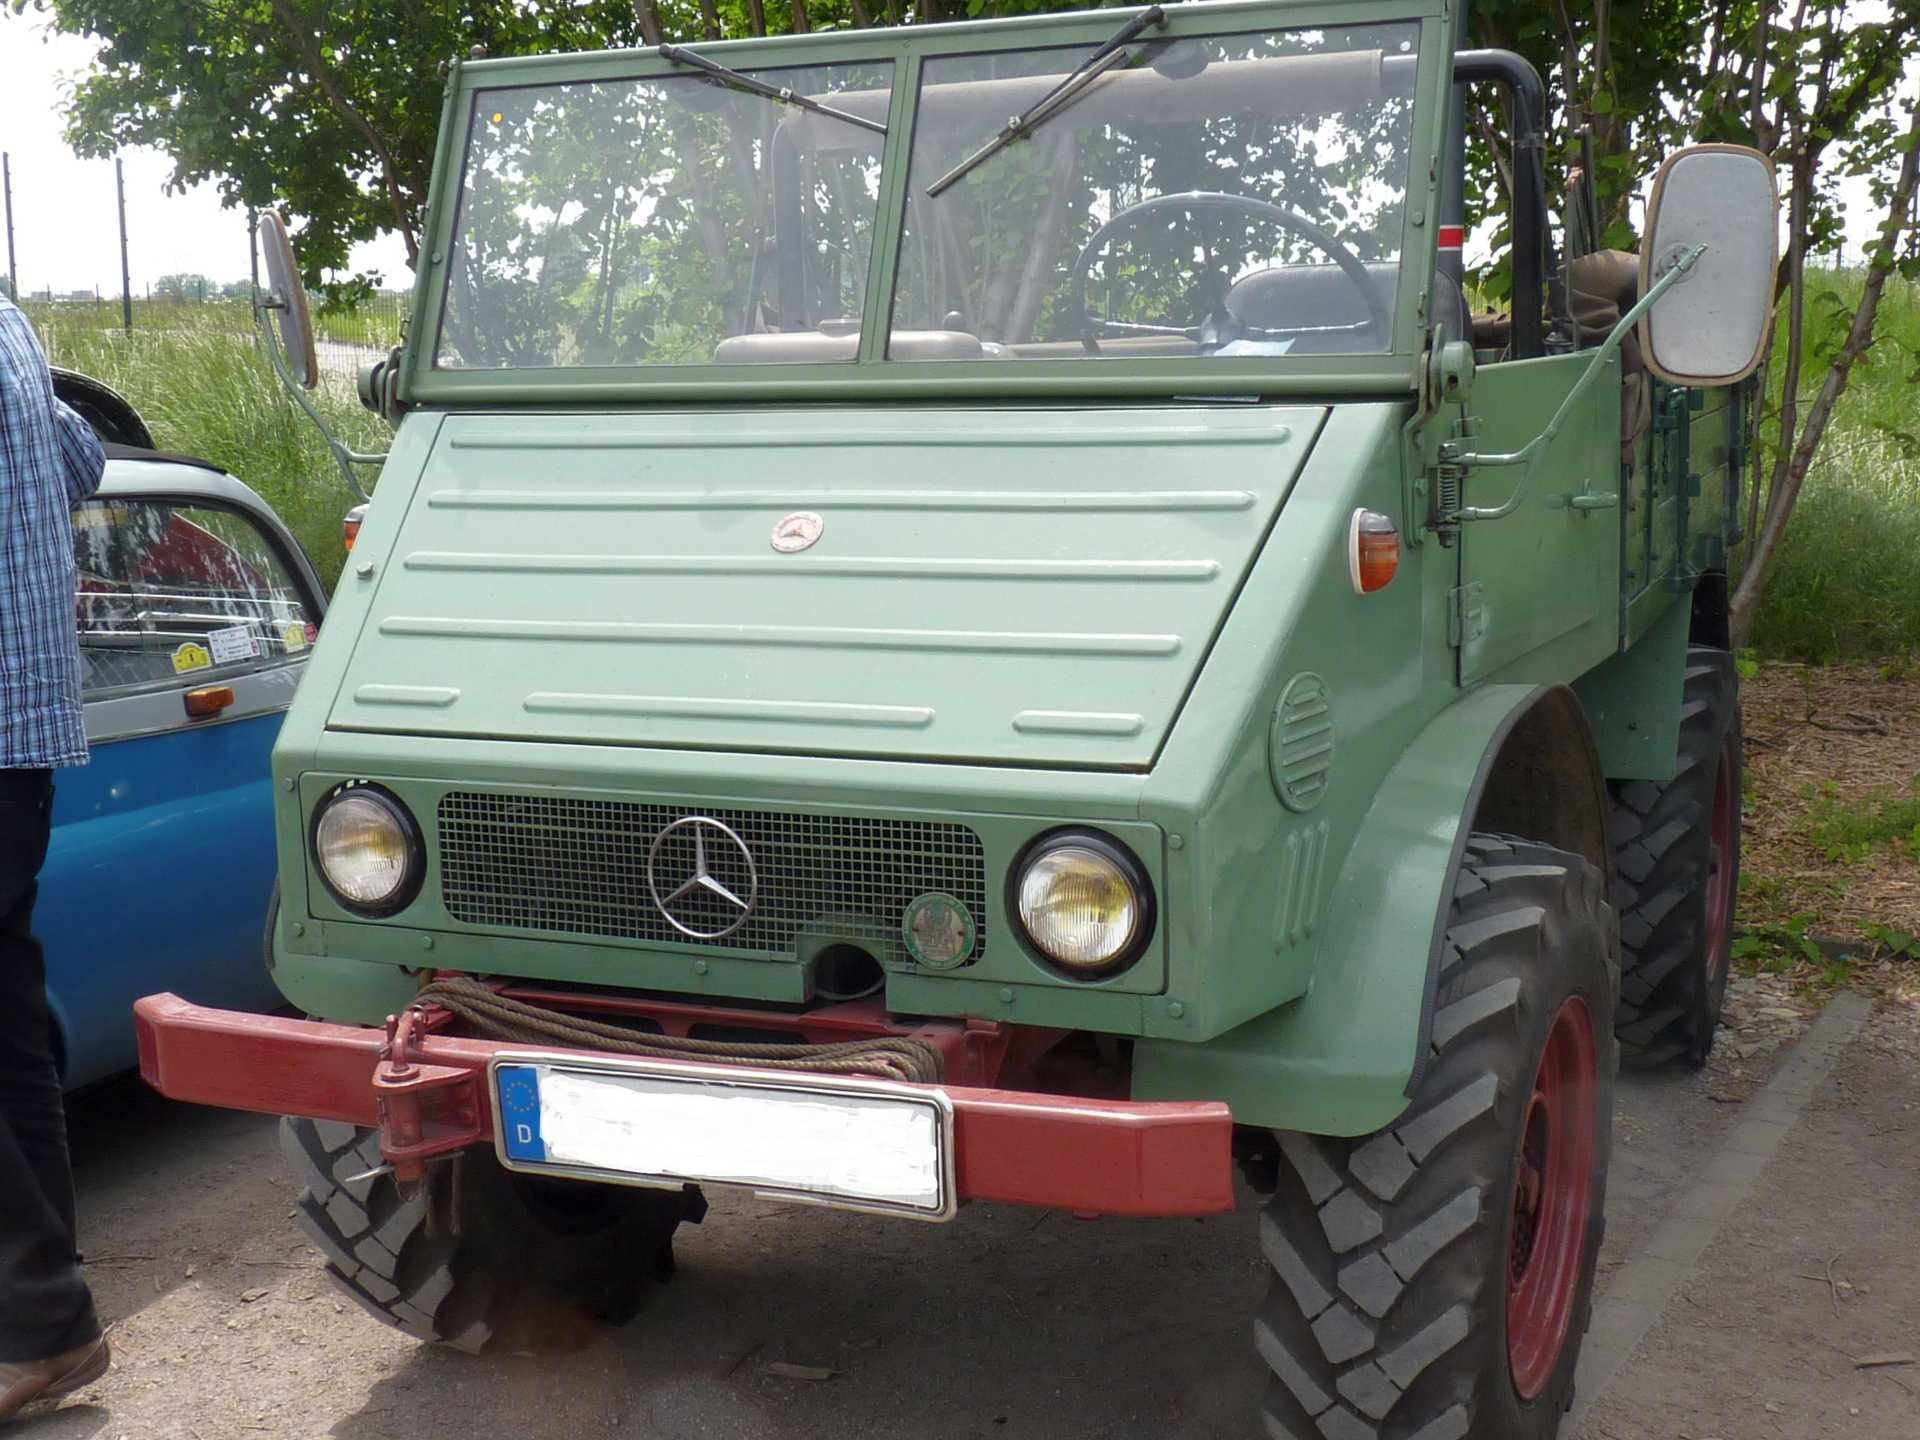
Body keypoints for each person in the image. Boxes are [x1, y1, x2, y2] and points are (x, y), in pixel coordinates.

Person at [0, 292, 109, 1422]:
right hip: (21, 741)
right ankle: (44, 1322)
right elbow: (84, 458)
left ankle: (42, 1324)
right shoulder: (12, 329)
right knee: (11, 1036)